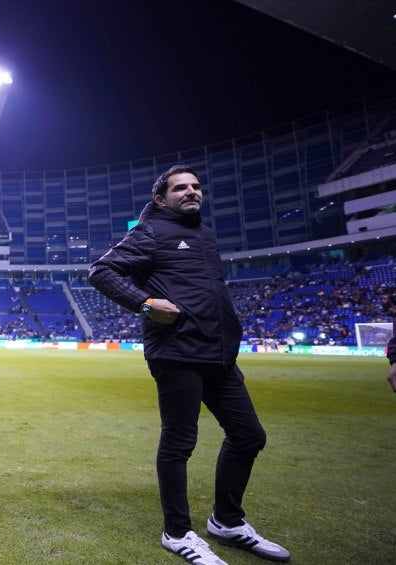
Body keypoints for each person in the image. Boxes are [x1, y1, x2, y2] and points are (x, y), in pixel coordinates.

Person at [89, 165, 291, 565]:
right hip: (177, 352)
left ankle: (227, 522)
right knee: (180, 443)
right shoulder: (150, 232)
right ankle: (177, 533)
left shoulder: (204, 235)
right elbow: (101, 270)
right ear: (161, 199)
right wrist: (144, 304)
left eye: (196, 186)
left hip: (219, 354)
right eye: (180, 187)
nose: (191, 191)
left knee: (249, 436)